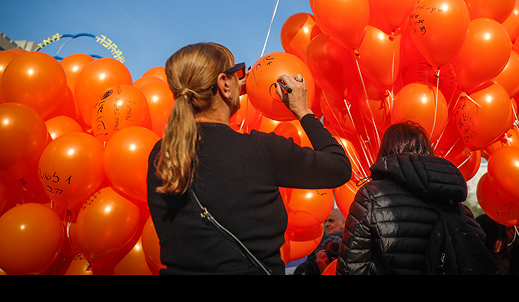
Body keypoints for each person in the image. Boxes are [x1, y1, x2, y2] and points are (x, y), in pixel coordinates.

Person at [146, 42, 351, 275]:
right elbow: (339, 168)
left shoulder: (161, 155)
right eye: (239, 73)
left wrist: (229, 90)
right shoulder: (260, 150)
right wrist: (303, 110)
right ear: (223, 83)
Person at [336, 120, 490, 275]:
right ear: (427, 150)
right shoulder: (449, 196)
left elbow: (352, 265)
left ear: (385, 151)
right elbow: (476, 241)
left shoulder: (371, 195)